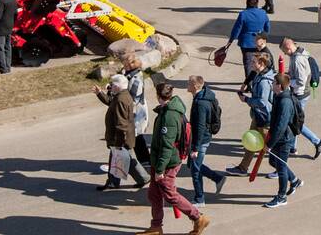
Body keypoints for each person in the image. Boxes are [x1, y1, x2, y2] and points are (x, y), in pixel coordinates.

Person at [138, 83, 209, 235]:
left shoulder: (170, 116)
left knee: (169, 193)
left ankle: (198, 217)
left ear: (158, 96)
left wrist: (159, 169)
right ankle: (156, 227)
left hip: (167, 162)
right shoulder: (167, 110)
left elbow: (166, 146)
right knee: (154, 194)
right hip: (159, 161)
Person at [94, 74, 149, 190]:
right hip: (122, 138)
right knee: (124, 159)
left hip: (120, 138)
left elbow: (121, 124)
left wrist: (118, 144)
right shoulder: (122, 96)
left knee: (119, 158)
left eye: (112, 84)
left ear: (118, 86)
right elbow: (110, 102)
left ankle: (114, 182)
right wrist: (100, 93)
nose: (110, 86)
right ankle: (141, 178)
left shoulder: (121, 99)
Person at [225, 53, 275, 177]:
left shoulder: (264, 82)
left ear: (262, 64)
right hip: (258, 116)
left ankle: (283, 171)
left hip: (265, 118)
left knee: (272, 147)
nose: (251, 64)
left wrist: (246, 100)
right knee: (251, 142)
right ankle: (243, 168)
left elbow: (262, 102)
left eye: (254, 62)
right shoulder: (259, 75)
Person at [263, 73, 304, 208]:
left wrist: (269, 144)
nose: (271, 84)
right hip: (281, 137)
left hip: (284, 139)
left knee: (280, 167)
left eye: (273, 83)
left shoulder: (284, 101)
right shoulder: (279, 96)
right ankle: (294, 180)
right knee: (273, 161)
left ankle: (281, 197)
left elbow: (281, 126)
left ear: (279, 86)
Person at [280, 38, 321, 158]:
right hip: (302, 93)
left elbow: (300, 81)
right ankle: (292, 147)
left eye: (285, 51)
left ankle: (317, 142)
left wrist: (288, 82)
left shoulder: (298, 59)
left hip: (300, 94)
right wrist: (287, 75)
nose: (285, 54)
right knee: (294, 120)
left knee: (296, 122)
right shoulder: (300, 53)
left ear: (289, 47)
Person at [187, 75, 225, 205]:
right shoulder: (202, 96)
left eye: (189, 83)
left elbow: (200, 126)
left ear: (194, 86)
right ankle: (217, 178)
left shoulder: (201, 103)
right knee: (193, 165)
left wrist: (195, 148)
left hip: (201, 140)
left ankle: (199, 199)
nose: (187, 85)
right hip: (202, 138)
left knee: (195, 169)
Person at [225, 0, 271, 79]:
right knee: (259, 62)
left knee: (248, 63)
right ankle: (258, 80)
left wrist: (230, 41)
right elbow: (267, 27)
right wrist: (264, 38)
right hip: (259, 42)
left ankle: (249, 84)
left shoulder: (243, 14)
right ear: (257, 3)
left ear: (246, 3)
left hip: (246, 43)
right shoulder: (263, 13)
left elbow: (237, 29)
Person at [122, 53, 151, 167]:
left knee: (135, 136)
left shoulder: (136, 78)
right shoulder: (130, 75)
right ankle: (144, 160)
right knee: (137, 137)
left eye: (125, 63)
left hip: (136, 112)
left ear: (130, 65)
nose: (123, 65)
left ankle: (143, 161)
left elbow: (134, 98)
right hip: (134, 112)